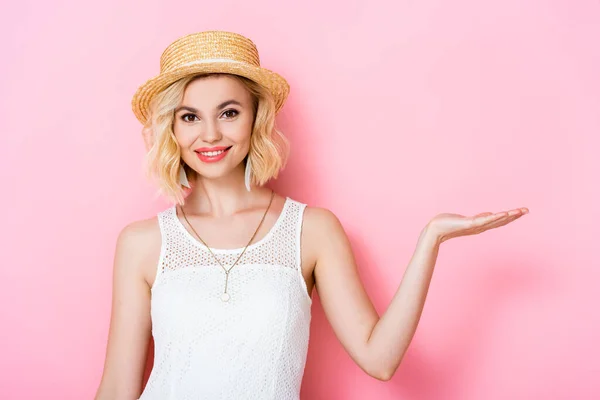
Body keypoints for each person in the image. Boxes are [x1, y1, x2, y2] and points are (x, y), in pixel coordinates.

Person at [95, 31, 529, 400]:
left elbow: (379, 360)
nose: (210, 134)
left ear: (255, 119)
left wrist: (431, 239)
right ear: (173, 127)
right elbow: (117, 388)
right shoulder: (142, 243)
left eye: (229, 112)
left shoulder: (312, 231)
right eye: (190, 116)